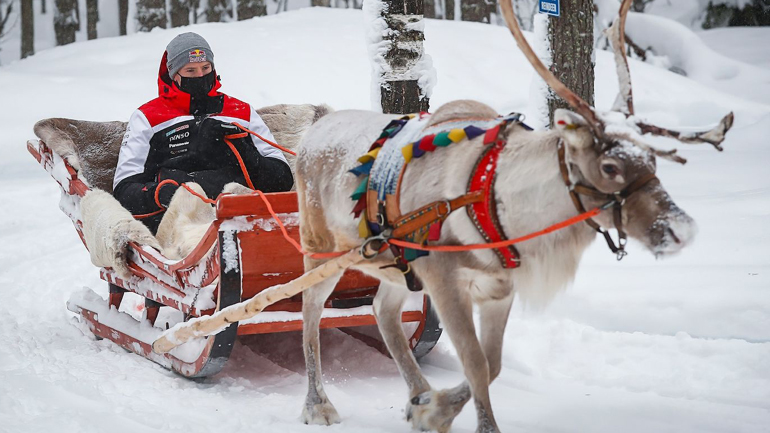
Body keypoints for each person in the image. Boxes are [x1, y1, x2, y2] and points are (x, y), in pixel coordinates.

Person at [113, 32, 293, 233]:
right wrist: (160, 193)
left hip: (240, 215)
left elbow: (283, 179)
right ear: (173, 74)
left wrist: (243, 150)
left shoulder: (241, 111)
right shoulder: (147, 117)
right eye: (190, 70)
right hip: (178, 222)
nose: (200, 76)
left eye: (205, 68)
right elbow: (124, 188)